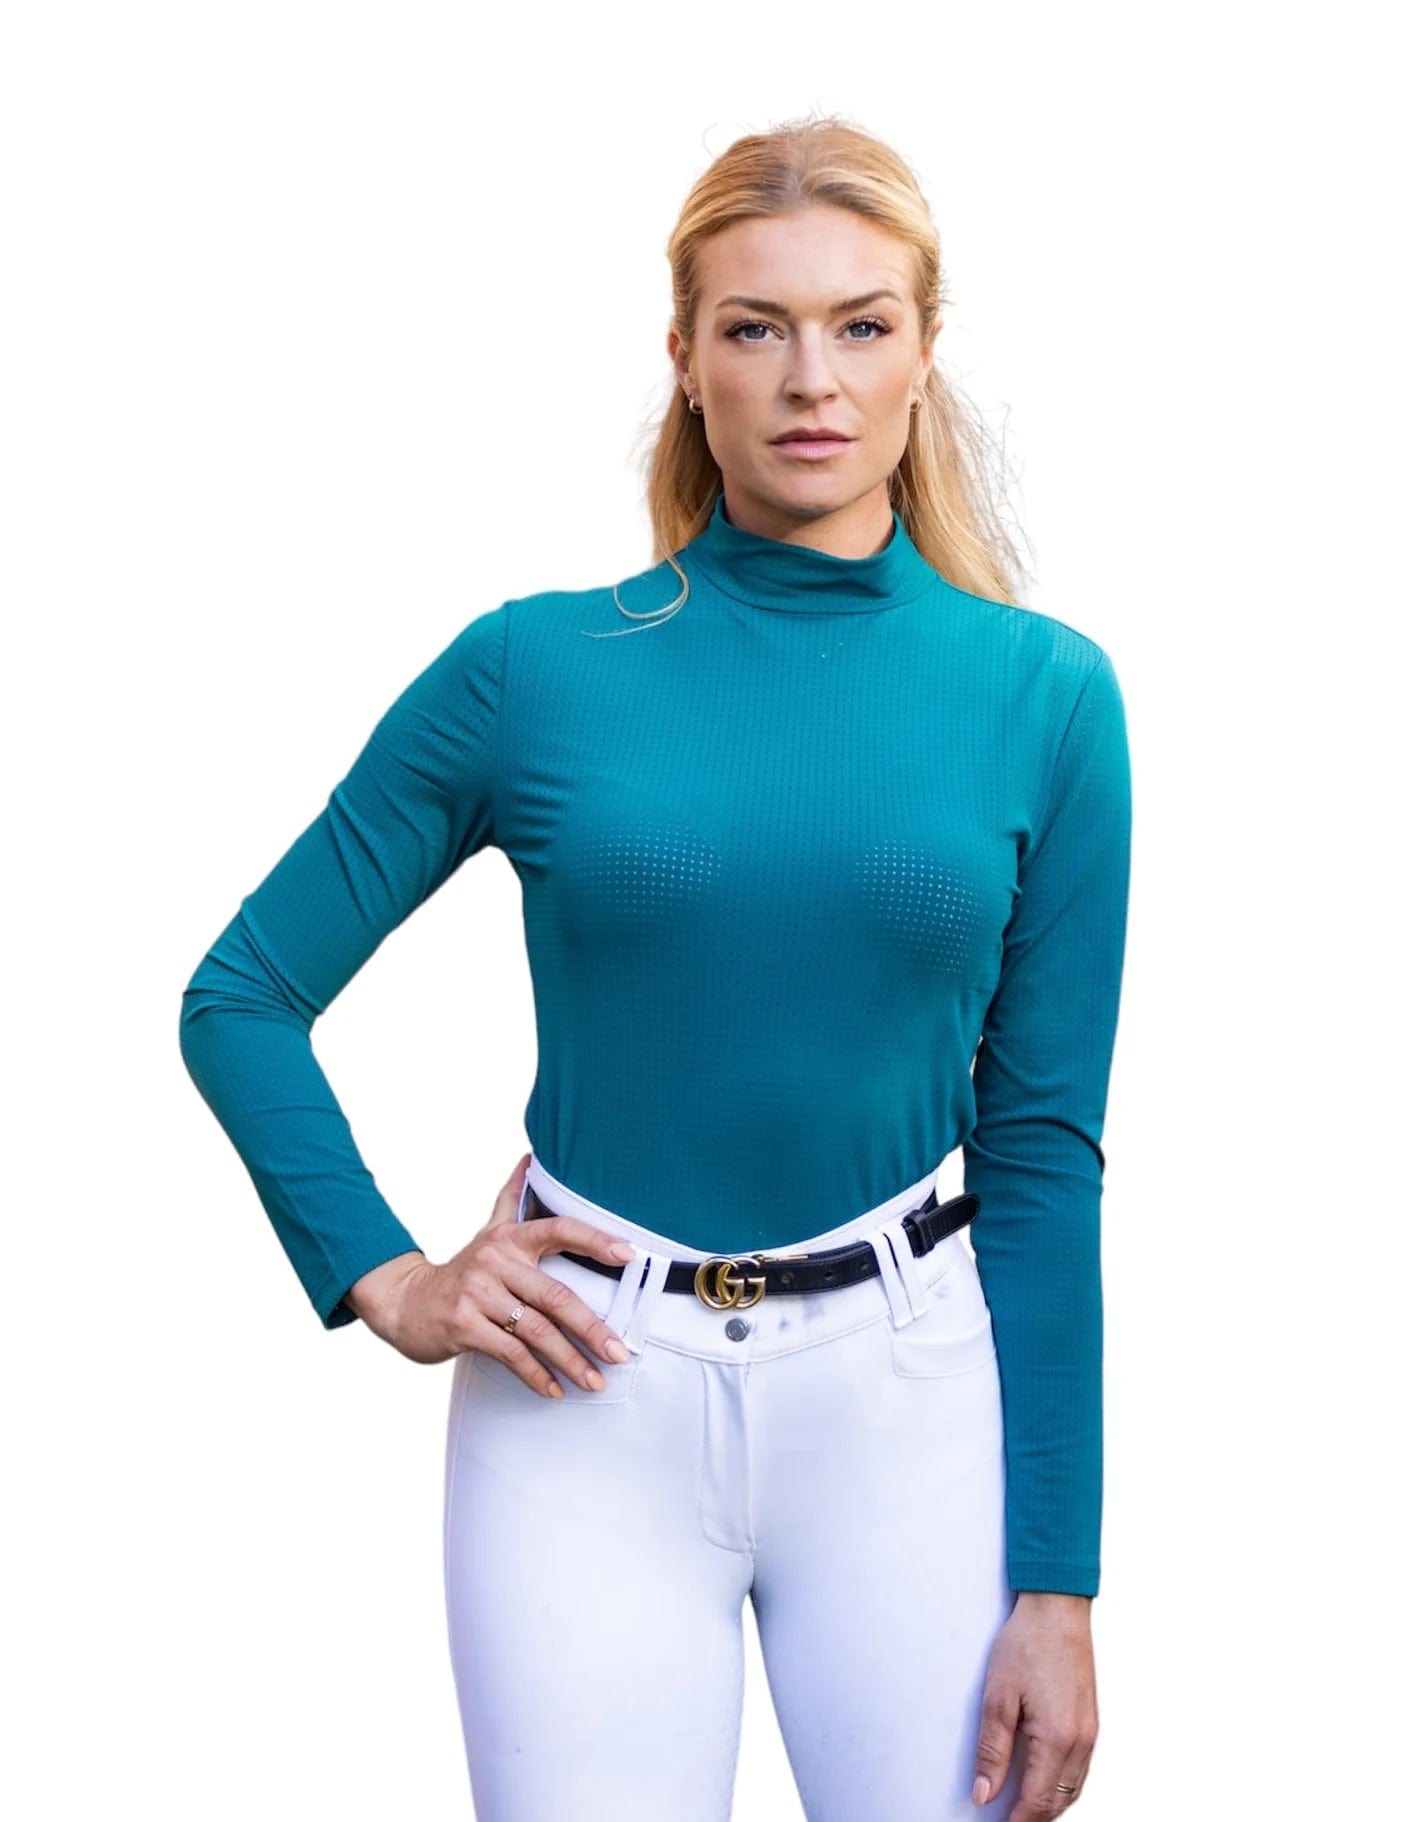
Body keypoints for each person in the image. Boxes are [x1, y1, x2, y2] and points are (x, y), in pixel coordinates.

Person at [179, 112, 1131, 1822]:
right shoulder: (535, 672)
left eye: (859, 324)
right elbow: (240, 993)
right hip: (579, 1398)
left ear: (922, 353)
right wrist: (383, 1274)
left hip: (911, 1405)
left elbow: (1042, 1153)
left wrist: (1059, 1580)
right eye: (754, 327)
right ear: (684, 359)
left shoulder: (1044, 695)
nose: (809, 379)